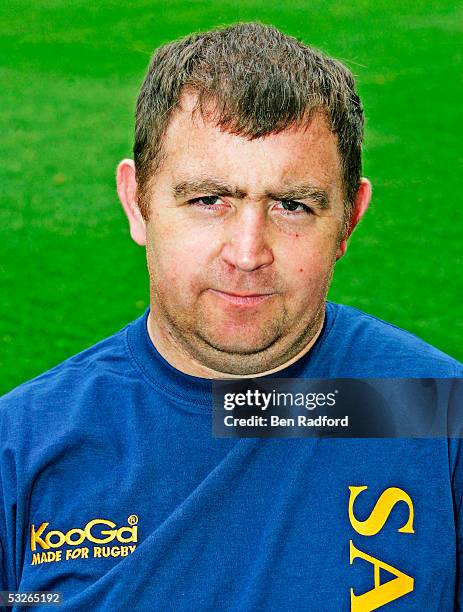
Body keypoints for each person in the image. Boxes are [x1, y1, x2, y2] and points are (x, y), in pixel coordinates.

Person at [0, 22, 462, 611]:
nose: (247, 254)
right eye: (208, 200)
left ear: (349, 219)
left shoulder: (432, 409)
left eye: (292, 206)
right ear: (137, 202)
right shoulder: (21, 450)